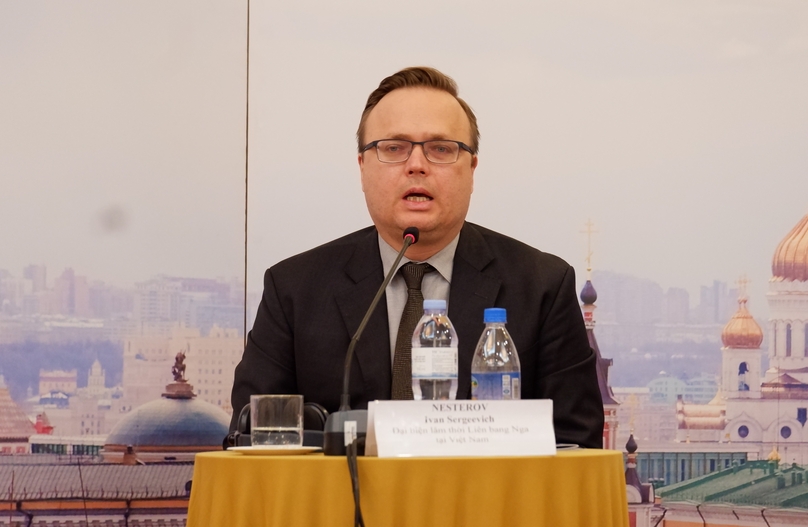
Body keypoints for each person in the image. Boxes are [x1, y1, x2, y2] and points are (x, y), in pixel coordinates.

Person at [230, 67, 604, 448]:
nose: (417, 165)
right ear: (362, 167)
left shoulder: (541, 286)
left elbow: (577, 444)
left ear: (472, 169)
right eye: (393, 148)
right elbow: (249, 436)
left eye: (441, 149)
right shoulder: (295, 289)